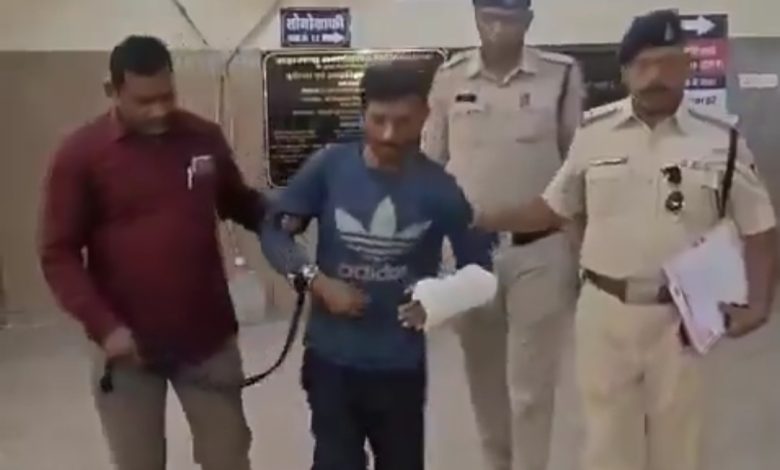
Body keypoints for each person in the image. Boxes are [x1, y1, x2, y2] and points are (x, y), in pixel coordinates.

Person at [475, 9, 777, 470]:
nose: (655, 77)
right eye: (643, 65)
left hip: (684, 317)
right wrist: (479, 217)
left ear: (688, 67)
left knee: (680, 444)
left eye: (668, 63)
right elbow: (555, 208)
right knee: (606, 446)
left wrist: (759, 304)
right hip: (604, 312)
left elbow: (760, 226)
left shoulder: (722, 141)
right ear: (625, 73)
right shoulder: (593, 133)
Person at [39, 36, 263, 470]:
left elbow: (238, 202)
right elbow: (57, 253)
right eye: (144, 101)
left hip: (207, 339)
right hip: (127, 349)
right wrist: (105, 327)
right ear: (112, 90)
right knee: (138, 462)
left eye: (167, 96)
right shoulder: (80, 154)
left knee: (229, 456)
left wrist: (285, 215)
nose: (159, 111)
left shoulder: (203, 137)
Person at [260, 62, 493, 470]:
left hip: (400, 365)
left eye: (403, 122)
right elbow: (275, 233)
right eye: (378, 120)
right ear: (362, 114)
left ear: (425, 115)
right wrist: (317, 282)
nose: (388, 134)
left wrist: (439, 300)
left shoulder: (441, 189)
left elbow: (481, 272)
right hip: (331, 358)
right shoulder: (330, 167)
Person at [420, 1, 585, 469]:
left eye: (508, 19)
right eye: (487, 18)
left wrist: (581, 245)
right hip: (469, 253)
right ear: (475, 18)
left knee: (531, 391)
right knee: (484, 381)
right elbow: (430, 163)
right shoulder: (450, 77)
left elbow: (577, 166)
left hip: (541, 251)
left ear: (527, 20)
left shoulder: (560, 75)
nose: (497, 29)